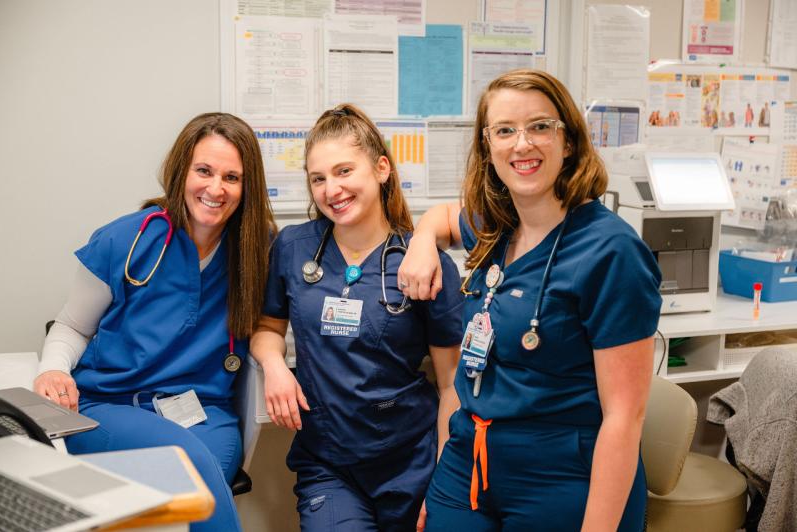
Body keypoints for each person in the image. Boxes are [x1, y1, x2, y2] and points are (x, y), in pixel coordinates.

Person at [397, 69, 662, 530]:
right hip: (468, 463)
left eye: (540, 126)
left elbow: (625, 417)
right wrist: (422, 240)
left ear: (569, 140)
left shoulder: (610, 251)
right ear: (488, 148)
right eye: (505, 130)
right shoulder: (495, 223)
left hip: (562, 476)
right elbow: (441, 217)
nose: (522, 144)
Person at [34, 113, 276, 531]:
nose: (215, 188)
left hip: (205, 413)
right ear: (181, 170)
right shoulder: (125, 240)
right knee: (192, 468)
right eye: (204, 171)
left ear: (247, 186)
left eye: (232, 177)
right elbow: (72, 325)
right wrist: (53, 369)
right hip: (109, 406)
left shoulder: (257, 249)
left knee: (196, 485)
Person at [251, 104, 463, 532]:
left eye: (344, 171)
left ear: (382, 168)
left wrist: (444, 480)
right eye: (319, 178)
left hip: (412, 463)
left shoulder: (424, 263)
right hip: (329, 463)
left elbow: (451, 385)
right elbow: (267, 328)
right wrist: (274, 366)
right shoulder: (293, 248)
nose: (332, 189)